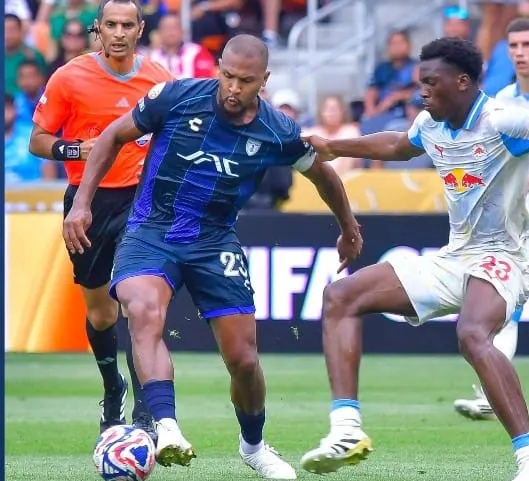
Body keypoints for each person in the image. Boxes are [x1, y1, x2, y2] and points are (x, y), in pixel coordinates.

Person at [62, 33, 362, 477]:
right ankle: (166, 427)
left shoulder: (277, 131)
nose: (233, 88)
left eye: (246, 80)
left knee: (243, 359)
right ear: (218, 67)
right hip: (151, 230)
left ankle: (253, 446)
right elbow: (111, 136)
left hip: (214, 242)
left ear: (264, 80)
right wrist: (82, 203)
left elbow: (323, 175)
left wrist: (348, 227)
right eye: (227, 75)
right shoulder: (176, 97)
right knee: (142, 311)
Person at [299, 37, 529, 481]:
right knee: (340, 296)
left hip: (505, 256)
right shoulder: (431, 123)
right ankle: (345, 429)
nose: (422, 91)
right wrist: (336, 147)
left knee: (472, 334)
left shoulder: (503, 120)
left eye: (431, 83)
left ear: (462, 82)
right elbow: (399, 145)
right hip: (455, 257)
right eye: (421, 83)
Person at [28, 0, 174, 442]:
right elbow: (38, 140)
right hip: (87, 203)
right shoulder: (69, 77)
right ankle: (113, 386)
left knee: (138, 304)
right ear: (98, 29)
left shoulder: (160, 80)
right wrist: (76, 149)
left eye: (127, 25)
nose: (119, 33)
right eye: (111, 24)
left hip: (142, 203)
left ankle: (146, 412)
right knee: (101, 312)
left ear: (140, 30)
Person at [454, 19, 529, 421]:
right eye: (513, 45)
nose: (519, 52)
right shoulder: (503, 98)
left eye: (527, 44)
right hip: (524, 226)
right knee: (506, 307)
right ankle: (488, 395)